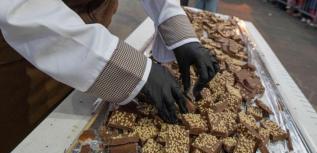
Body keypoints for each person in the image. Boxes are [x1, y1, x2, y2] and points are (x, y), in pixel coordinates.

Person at [0, 0, 219, 125]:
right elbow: (22, 10)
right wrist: (133, 69)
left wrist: (176, 28)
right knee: (39, 141)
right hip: (29, 47)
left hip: (96, 26)